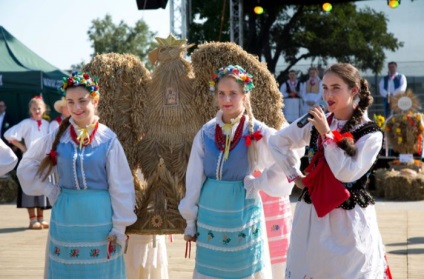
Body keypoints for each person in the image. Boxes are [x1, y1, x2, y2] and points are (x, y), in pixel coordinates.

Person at [269, 63, 392, 278]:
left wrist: (327, 135)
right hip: (313, 214)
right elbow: (276, 142)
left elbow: (346, 173)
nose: (328, 94)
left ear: (353, 91)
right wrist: (294, 175)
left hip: (349, 220)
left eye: (335, 88)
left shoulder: (371, 133)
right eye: (325, 88)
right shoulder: (316, 121)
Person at [178, 65, 296, 278]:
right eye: (221, 93)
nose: (226, 100)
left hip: (243, 208)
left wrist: (258, 183)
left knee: (244, 266)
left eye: (233, 93)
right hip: (211, 210)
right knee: (211, 269)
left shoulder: (257, 131)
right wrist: (190, 219)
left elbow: (285, 160)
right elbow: (194, 177)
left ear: (244, 95)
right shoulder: (206, 132)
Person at [17, 72, 137, 278]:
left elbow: (121, 184)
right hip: (66, 216)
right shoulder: (58, 135)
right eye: (71, 102)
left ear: (95, 100)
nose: (76, 107)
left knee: (99, 271)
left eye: (82, 101)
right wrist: (49, 189)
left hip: (100, 217)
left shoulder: (107, 138)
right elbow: (27, 164)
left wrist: (119, 226)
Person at [5, 96, 50, 229]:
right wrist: (23, 148)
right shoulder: (26, 123)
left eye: (39, 108)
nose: (37, 111)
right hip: (29, 160)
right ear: (30, 110)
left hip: (42, 160)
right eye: (34, 108)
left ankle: (41, 217)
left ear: (44, 110)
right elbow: (9, 135)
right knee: (29, 187)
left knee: (42, 186)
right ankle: (32, 219)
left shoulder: (47, 125)